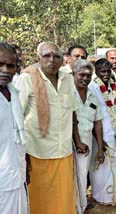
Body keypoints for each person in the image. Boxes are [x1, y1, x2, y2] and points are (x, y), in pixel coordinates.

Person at [16, 42, 88, 214]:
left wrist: (77, 141)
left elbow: (72, 114)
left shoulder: (67, 79)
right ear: (38, 58)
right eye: (47, 56)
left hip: (64, 152)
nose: (52, 60)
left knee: (63, 200)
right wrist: (20, 153)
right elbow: (17, 119)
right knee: (39, 200)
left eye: (56, 56)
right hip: (36, 152)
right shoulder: (26, 79)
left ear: (62, 59)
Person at [89, 58, 116, 204]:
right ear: (96, 72)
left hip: (115, 132)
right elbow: (93, 116)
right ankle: (101, 197)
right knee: (102, 166)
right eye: (102, 71)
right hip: (100, 134)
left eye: (108, 71)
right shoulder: (92, 87)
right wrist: (99, 141)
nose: (106, 74)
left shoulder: (114, 86)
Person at [72, 59, 105, 211]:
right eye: (82, 74)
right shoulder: (67, 93)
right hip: (69, 142)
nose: (85, 78)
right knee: (71, 177)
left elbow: (98, 122)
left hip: (87, 142)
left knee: (82, 175)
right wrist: (77, 141)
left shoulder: (93, 95)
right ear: (74, 74)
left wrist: (100, 148)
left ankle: (81, 206)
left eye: (88, 75)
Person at [0, 42, 28, 214]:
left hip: (16, 172)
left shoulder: (13, 92)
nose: (5, 70)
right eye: (0, 64)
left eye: (11, 65)